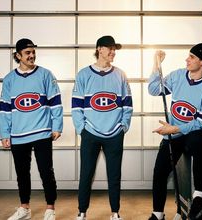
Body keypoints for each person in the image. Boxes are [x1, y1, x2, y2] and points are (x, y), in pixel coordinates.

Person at [147, 43, 202, 220]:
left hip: (194, 133)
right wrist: (156, 65)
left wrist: (175, 128)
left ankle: (198, 196)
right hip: (175, 134)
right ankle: (158, 214)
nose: (187, 59)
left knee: (198, 140)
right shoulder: (178, 75)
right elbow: (154, 89)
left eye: (192, 57)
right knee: (160, 171)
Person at [0, 38, 63, 220]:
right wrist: (4, 133)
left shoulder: (45, 75)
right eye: (27, 53)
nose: (32, 55)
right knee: (22, 174)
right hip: (18, 134)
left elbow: (56, 103)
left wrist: (57, 126)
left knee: (46, 172)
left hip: (42, 132)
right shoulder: (10, 79)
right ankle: (24, 208)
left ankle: (50, 208)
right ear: (18, 55)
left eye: (33, 52)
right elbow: (4, 109)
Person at [71, 35, 133, 220]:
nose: (113, 52)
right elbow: (76, 106)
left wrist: (124, 125)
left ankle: (115, 213)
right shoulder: (83, 74)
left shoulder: (120, 74)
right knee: (86, 174)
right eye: (110, 48)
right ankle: (82, 212)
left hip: (114, 133)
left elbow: (128, 104)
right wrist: (81, 128)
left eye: (115, 49)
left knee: (114, 175)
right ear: (99, 49)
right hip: (90, 132)